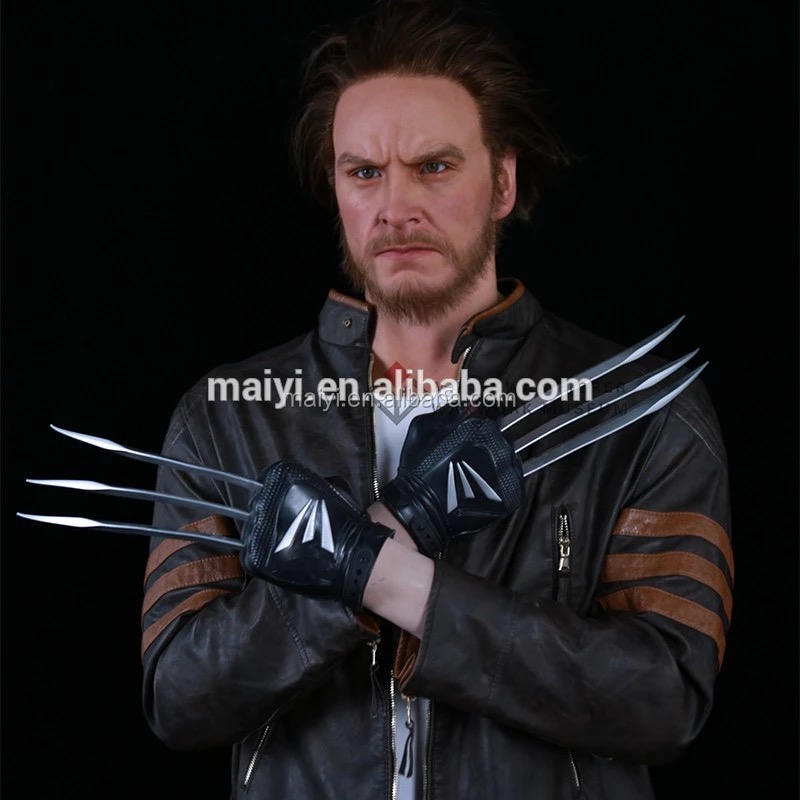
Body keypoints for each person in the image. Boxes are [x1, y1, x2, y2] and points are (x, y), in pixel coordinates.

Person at [140, 2, 733, 797]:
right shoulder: (227, 416)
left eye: (434, 167)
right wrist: (339, 586)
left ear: (503, 184)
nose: (396, 207)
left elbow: (665, 700)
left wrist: (405, 587)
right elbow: (178, 697)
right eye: (365, 173)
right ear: (337, 189)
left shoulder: (638, 412)